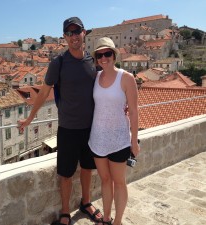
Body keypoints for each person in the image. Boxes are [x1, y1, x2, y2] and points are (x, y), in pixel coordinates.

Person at [18, 17, 102, 225]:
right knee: (65, 174)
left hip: (90, 127)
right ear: (65, 37)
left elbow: (104, 88)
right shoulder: (59, 63)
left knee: (87, 168)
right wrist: (30, 118)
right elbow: (44, 92)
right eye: (70, 33)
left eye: (77, 31)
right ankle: (65, 212)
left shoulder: (93, 61)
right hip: (68, 129)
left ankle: (86, 202)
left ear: (84, 33)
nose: (74, 36)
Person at [88, 37, 140, 225]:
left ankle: (117, 221)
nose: (104, 58)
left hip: (119, 139)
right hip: (98, 138)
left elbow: (133, 111)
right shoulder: (95, 77)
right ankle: (107, 217)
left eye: (107, 53)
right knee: (104, 180)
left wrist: (134, 141)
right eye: (99, 55)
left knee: (119, 182)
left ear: (114, 55)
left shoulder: (126, 78)